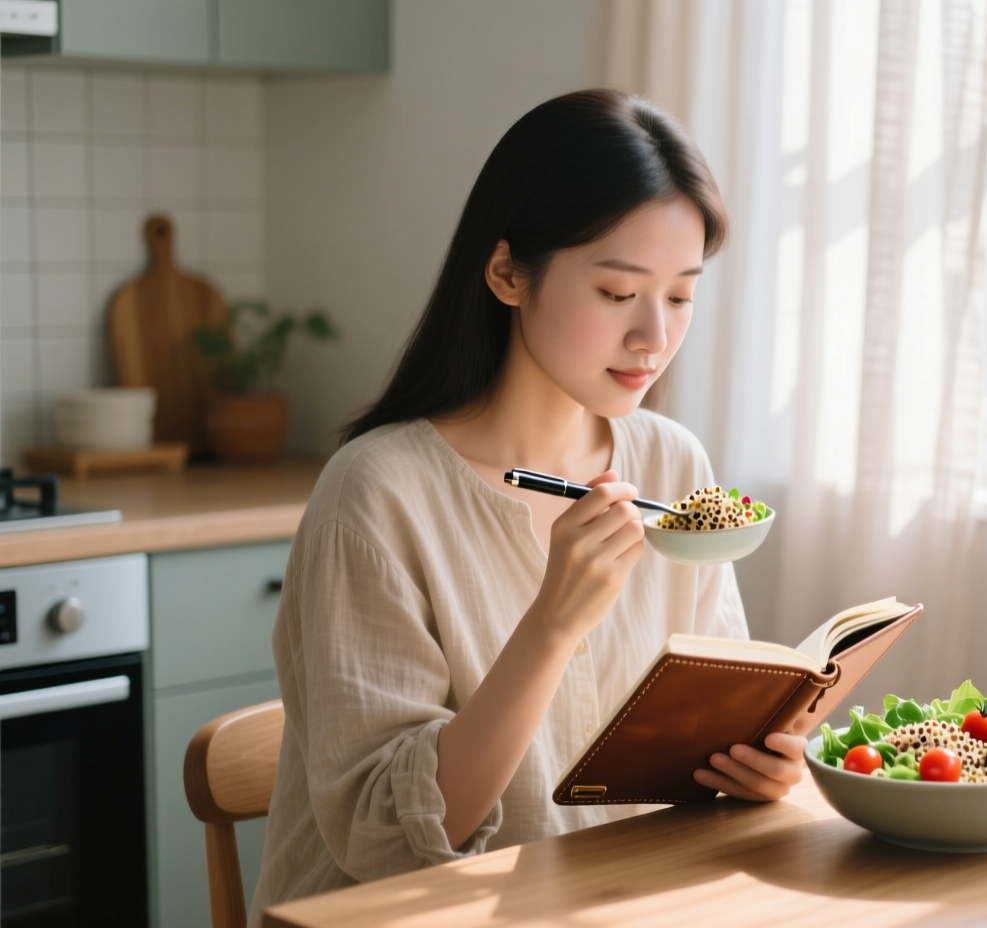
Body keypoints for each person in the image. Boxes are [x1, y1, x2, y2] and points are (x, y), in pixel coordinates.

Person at [250, 89, 804, 910]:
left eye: (681, 295)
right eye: (618, 293)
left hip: (609, 903)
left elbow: (698, 728)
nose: (654, 336)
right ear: (509, 273)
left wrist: (753, 765)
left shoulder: (673, 461)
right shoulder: (376, 495)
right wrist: (550, 626)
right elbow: (385, 843)